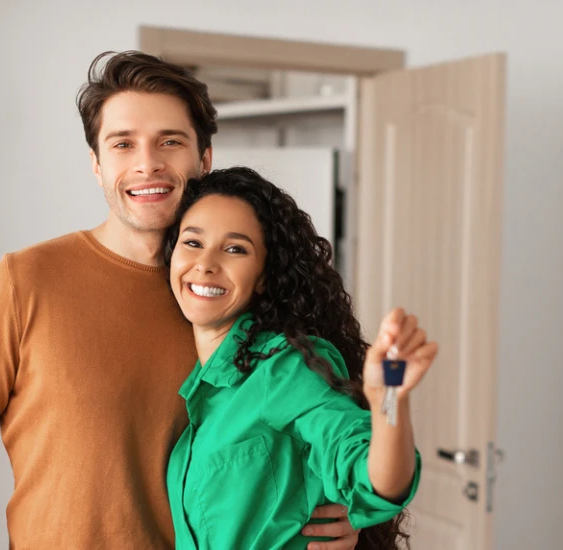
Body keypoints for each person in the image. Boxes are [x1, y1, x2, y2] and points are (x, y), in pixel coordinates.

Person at [0, 51, 362, 549]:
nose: (147, 163)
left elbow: (307, 435)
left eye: (169, 142)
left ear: (204, 158)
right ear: (96, 163)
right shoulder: (22, 283)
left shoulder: (234, 299)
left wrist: (342, 511)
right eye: (123, 144)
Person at [162, 166, 439, 549]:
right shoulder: (201, 384)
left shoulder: (284, 367)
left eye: (235, 249)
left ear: (263, 276)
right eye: (193, 242)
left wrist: (390, 397)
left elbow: (373, 480)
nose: (206, 263)